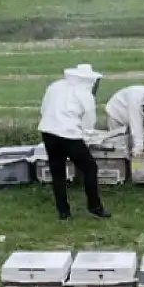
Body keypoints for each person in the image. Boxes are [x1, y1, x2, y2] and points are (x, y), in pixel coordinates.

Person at [38, 63, 110, 221]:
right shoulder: (85, 94)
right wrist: (86, 135)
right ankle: (95, 207)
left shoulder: (55, 86)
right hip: (69, 135)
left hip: (48, 132)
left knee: (58, 173)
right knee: (90, 168)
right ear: (90, 80)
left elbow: (43, 109)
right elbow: (89, 123)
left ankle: (64, 213)